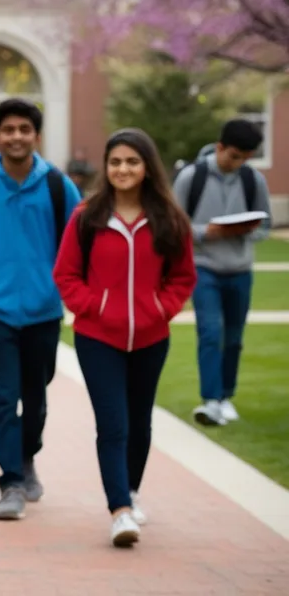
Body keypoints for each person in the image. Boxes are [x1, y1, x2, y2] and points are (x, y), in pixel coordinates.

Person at [53, 128, 197, 547]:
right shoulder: (87, 217)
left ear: (147, 167)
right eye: (115, 161)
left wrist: (160, 309)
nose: (123, 169)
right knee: (113, 423)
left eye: (132, 161)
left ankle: (130, 492)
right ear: (106, 166)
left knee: (140, 422)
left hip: (151, 337)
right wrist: (94, 307)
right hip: (98, 337)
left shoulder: (169, 219)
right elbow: (65, 275)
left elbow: (183, 277)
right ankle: (119, 511)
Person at [0, 98, 82, 521]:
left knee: (36, 400)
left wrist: (59, 291)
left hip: (44, 313)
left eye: (24, 129)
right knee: (3, 400)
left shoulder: (60, 187)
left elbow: (78, 248)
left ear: (36, 135)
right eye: (8, 130)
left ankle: (26, 457)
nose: (17, 136)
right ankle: (10, 482)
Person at [172, 119, 272, 426]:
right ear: (219, 148)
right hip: (205, 269)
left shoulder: (253, 180)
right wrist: (207, 232)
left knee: (234, 338)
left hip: (241, 269)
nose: (238, 163)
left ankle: (226, 396)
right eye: (233, 156)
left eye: (245, 157)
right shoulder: (192, 177)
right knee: (210, 333)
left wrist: (244, 231)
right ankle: (211, 401)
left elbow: (265, 225)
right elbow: (175, 226)